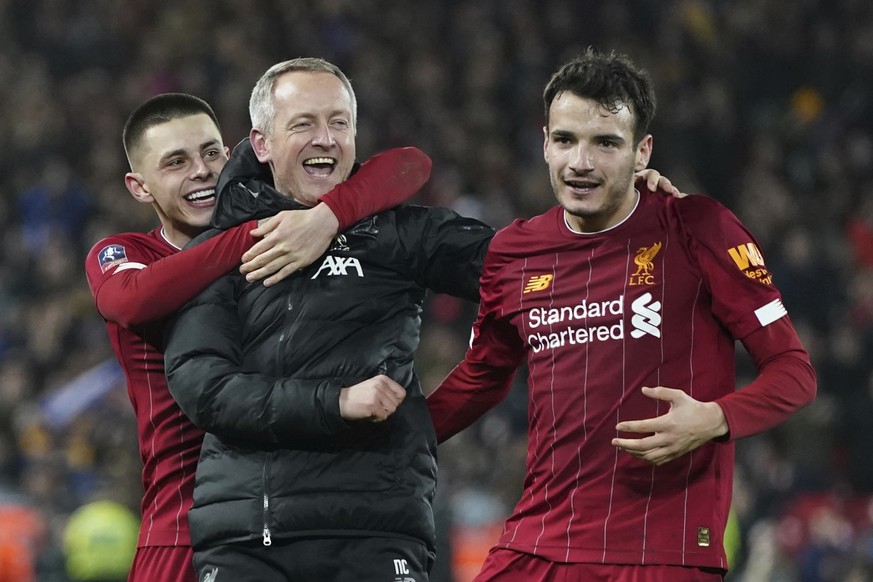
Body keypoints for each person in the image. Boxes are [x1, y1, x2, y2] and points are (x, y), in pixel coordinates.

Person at [162, 57, 683, 582]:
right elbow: (202, 387)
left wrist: (625, 210)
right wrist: (336, 402)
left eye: (339, 123)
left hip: (376, 529)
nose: (325, 139)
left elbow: (529, 264)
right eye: (303, 125)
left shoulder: (401, 235)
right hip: (251, 537)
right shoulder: (220, 251)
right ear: (262, 143)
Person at [426, 48, 817, 582]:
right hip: (536, 545)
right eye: (565, 140)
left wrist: (714, 418)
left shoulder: (697, 229)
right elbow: (481, 376)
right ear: (544, 142)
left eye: (606, 143)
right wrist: (393, 440)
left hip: (661, 554)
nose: (580, 163)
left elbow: (794, 372)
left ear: (642, 152)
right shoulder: (513, 252)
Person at [84, 92, 432, 582]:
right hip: (182, 522)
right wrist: (266, 232)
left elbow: (409, 165)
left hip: (284, 519)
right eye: (176, 162)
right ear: (139, 187)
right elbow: (131, 298)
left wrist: (326, 216)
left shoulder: (305, 232)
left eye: (211, 153)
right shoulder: (130, 252)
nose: (201, 171)